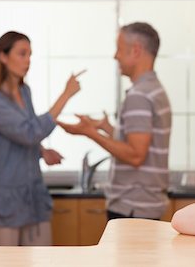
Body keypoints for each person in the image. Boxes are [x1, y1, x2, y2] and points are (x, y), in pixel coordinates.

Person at [0, 31, 84, 246]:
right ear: (2, 57)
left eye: (30, 55)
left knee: (41, 259)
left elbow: (24, 134)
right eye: (22, 54)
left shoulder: (25, 92)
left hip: (32, 192)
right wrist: (65, 95)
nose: (28, 61)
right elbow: (28, 132)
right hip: (2, 195)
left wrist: (41, 150)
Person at [58, 22, 172, 220]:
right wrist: (105, 128)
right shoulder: (155, 90)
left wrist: (90, 133)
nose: (115, 56)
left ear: (136, 51)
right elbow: (139, 142)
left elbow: (136, 155)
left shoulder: (139, 96)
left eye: (119, 49)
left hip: (132, 207)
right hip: (145, 205)